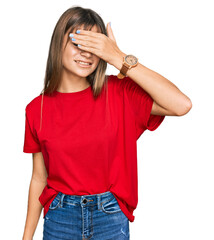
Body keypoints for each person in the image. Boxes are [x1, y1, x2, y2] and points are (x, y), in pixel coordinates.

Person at [22, 6, 192, 240]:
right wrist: (26, 236)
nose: (87, 54)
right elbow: (39, 178)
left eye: (95, 47)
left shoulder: (118, 93)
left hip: (109, 217)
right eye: (79, 43)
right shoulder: (35, 109)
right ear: (57, 44)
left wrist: (118, 57)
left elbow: (181, 104)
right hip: (60, 218)